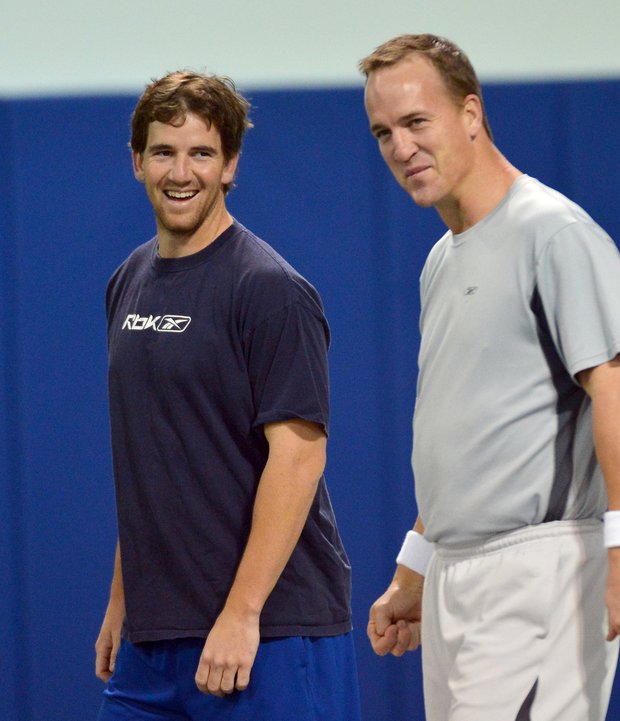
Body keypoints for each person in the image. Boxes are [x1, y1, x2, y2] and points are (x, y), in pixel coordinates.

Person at [360, 34, 620, 721]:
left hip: (542, 576)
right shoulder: (441, 260)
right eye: (383, 132)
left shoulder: (553, 232)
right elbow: (472, 432)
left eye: (416, 122)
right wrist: (415, 567)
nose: (400, 147)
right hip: (455, 577)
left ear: (470, 113)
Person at [94, 71, 361, 721]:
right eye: (163, 151)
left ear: (230, 164)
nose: (180, 172)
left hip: (267, 632)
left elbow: (298, 460)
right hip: (153, 644)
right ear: (137, 161)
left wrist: (242, 614)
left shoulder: (271, 289)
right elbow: (156, 457)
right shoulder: (126, 283)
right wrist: (122, 601)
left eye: (201, 153)